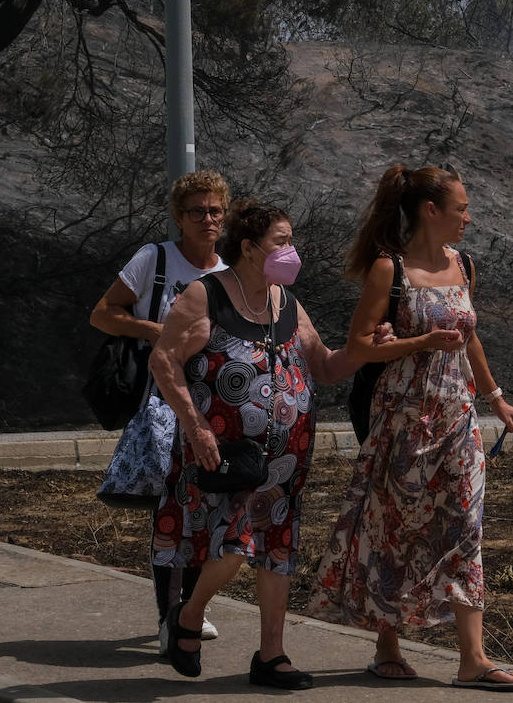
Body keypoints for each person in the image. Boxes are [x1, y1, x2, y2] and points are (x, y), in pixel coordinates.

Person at [308, 164, 513, 691]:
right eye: (461, 208)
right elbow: (359, 346)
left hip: (457, 417)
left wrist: (497, 400)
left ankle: (472, 660)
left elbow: (469, 337)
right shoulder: (391, 270)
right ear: (431, 211)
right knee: (396, 525)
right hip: (402, 417)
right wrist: (419, 344)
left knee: (465, 527)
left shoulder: (464, 264)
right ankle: (387, 646)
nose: (467, 218)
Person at [148, 197, 370, 690]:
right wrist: (196, 425)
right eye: (282, 242)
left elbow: (325, 367)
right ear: (249, 247)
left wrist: (362, 349)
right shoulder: (205, 297)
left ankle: (271, 656)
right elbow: (163, 362)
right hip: (225, 458)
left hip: (286, 462)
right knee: (236, 546)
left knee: (278, 549)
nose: (291, 251)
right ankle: (190, 614)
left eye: (291, 241)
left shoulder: (286, 301)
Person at [89, 171, 231, 651]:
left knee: (207, 508)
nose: (208, 219)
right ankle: (171, 614)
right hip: (162, 405)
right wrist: (151, 330)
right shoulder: (156, 260)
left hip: (213, 406)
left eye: (215, 211)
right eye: (198, 212)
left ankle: (191, 608)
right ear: (178, 217)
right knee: (172, 510)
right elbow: (102, 312)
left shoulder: (228, 273)